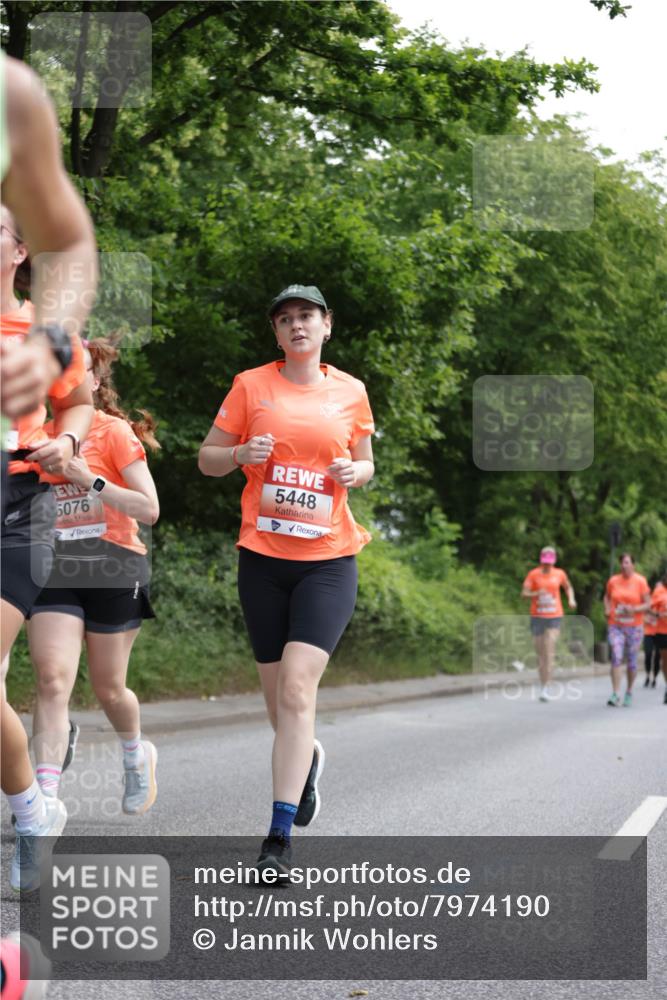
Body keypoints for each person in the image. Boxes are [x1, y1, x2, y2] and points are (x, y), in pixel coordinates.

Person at [199, 284, 374, 878]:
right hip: (264, 561)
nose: (296, 325)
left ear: (327, 326)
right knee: (280, 707)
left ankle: (277, 840)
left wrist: (359, 469)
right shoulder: (251, 385)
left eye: (307, 316)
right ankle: (309, 761)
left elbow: (367, 460)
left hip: (328, 561)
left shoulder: (351, 391)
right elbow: (206, 458)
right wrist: (241, 453)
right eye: (285, 319)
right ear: (276, 334)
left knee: (298, 691)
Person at [1, 50, 98, 893]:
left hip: (15, 493)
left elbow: (71, 241)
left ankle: (30, 807)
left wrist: (51, 342)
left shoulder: (8, 94)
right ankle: (31, 805)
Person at [26, 338, 160, 814]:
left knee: (108, 688)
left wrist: (90, 481)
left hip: (114, 565)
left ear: (94, 381)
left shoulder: (114, 433)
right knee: (52, 680)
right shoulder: (32, 434)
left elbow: (150, 509)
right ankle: (43, 805)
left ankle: (134, 752)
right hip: (53, 568)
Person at [521, 546, 576, 702]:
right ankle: (543, 683)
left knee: (548, 648)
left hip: (554, 616)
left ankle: (546, 687)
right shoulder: (533, 574)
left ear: (554, 561)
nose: (547, 566)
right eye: (545, 563)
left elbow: (568, 587)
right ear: (541, 560)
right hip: (537, 616)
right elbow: (523, 594)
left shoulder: (560, 573)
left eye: (550, 563)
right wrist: (536, 593)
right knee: (540, 655)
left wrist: (571, 599)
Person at [603, 553, 651, 707]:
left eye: (627, 562)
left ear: (633, 565)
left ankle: (629, 691)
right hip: (616, 624)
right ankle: (616, 693)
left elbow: (648, 604)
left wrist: (634, 609)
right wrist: (607, 608)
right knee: (616, 656)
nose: (624, 565)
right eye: (622, 562)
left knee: (631, 661)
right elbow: (607, 597)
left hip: (634, 626)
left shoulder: (640, 581)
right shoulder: (613, 581)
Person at [649, 571, 667, 705]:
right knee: (665, 659)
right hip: (663, 630)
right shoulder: (659, 591)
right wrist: (659, 613)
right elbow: (651, 609)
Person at [642, 591, 660, 689]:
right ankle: (648, 675)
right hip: (648, 632)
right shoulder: (648, 604)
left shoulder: (662, 605)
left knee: (657, 657)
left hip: (659, 633)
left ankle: (654, 678)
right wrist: (647, 620)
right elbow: (641, 616)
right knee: (648, 655)